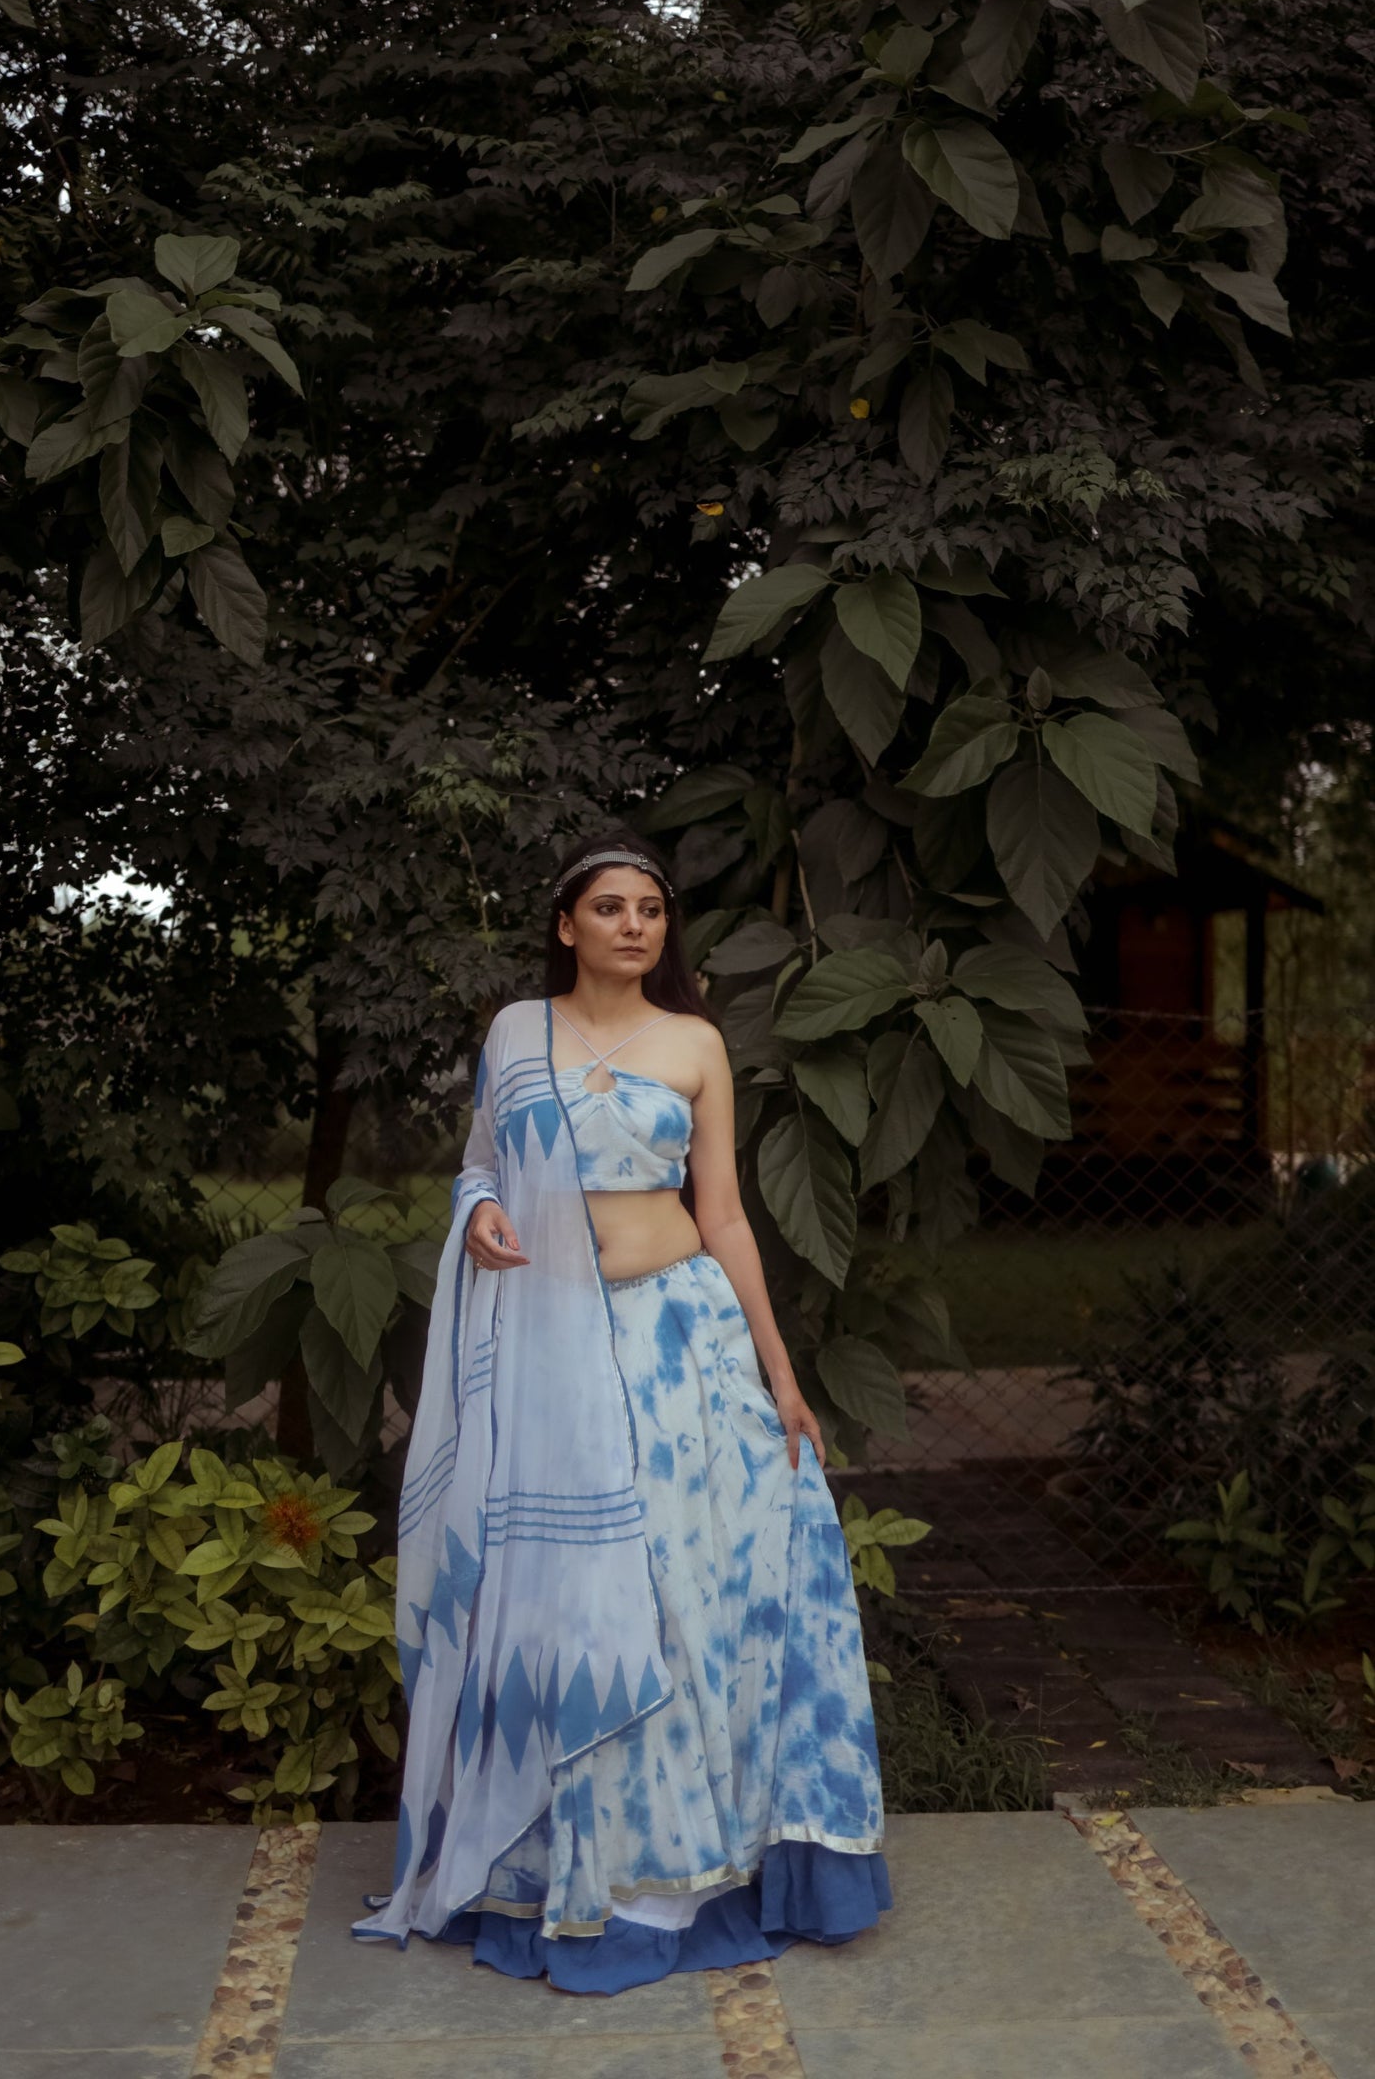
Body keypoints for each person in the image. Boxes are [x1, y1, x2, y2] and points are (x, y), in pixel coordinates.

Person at [355, 830, 890, 1991]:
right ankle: (555, 1870)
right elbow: (479, 1163)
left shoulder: (696, 1042)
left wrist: (781, 1372)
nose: (635, 924)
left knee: (680, 1589)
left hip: (675, 1338)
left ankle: (673, 1874)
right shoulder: (514, 1032)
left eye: (650, 907)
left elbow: (730, 1215)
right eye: (610, 906)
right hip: (549, 1344)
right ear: (566, 924)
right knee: (562, 1601)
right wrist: (486, 1210)